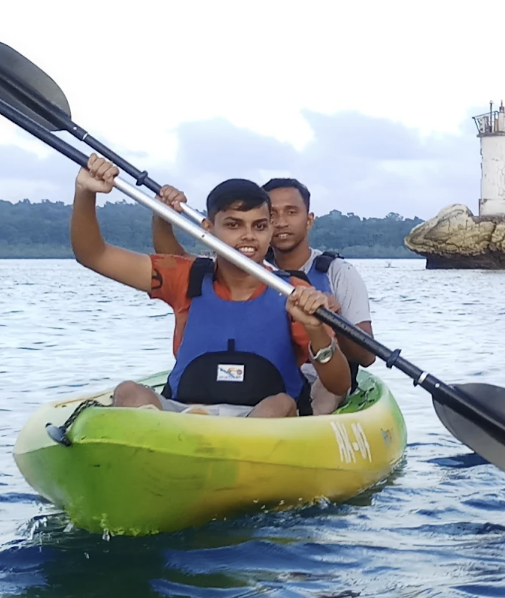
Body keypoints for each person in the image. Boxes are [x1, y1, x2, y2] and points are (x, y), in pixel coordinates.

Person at [71, 155, 349, 417]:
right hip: (185, 415)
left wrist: (315, 329)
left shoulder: (292, 290)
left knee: (280, 404)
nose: (249, 236)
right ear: (208, 228)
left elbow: (338, 385)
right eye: (234, 225)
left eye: (260, 226)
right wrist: (86, 192)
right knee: (129, 392)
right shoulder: (184, 276)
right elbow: (94, 255)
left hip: (263, 423)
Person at [153, 175, 375, 414]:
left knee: (321, 393)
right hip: (254, 375)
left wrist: (329, 321)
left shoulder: (336, 272)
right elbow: (176, 266)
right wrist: (163, 216)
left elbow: (366, 356)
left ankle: (308, 429)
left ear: (309, 220)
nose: (281, 222)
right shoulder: (243, 262)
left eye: (291, 212)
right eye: (273, 214)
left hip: (317, 374)